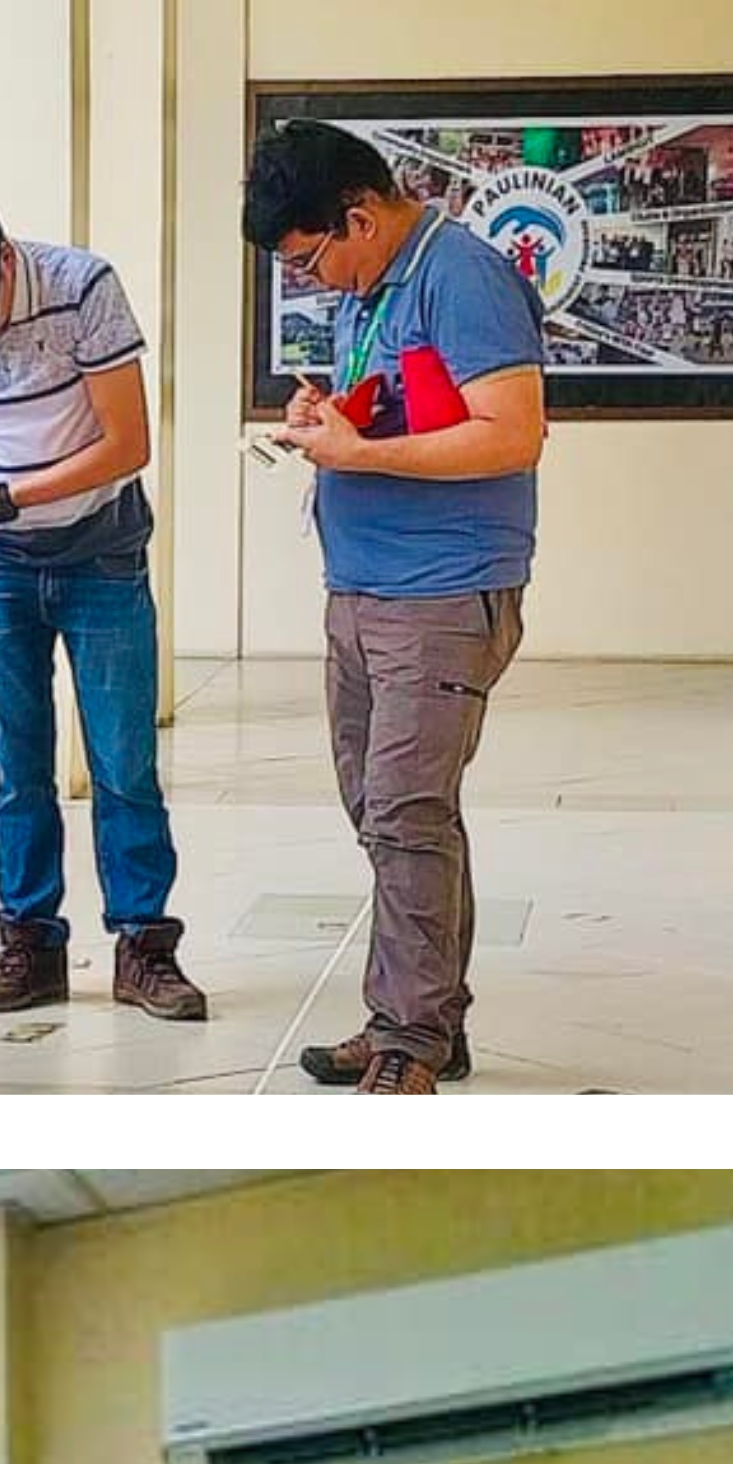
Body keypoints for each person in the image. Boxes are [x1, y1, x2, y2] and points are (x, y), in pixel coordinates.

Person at [244, 118, 547, 1096]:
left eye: (308, 257)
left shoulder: (459, 276)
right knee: (384, 813)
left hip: (441, 591)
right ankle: (416, 1020)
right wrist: (330, 420)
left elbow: (511, 434)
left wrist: (360, 456)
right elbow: (412, 404)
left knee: (408, 813)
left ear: (357, 215)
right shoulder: (372, 286)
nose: (310, 279)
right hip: (361, 583)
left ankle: (409, 1039)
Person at [0, 190, 206, 1028]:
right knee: (15, 763)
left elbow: (126, 443)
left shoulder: (81, 287)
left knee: (121, 760)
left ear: (4, 256)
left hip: (98, 550)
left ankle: (144, 944)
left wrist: (0, 498)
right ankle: (29, 941)